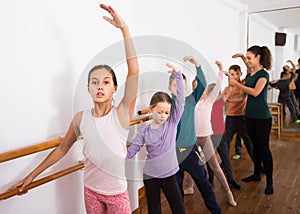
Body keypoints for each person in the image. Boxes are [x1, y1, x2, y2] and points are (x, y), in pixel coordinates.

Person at [7, 4, 139, 213]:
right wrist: (31, 175)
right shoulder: (80, 118)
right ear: (88, 88)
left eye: (106, 82)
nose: (100, 87)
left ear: (115, 88)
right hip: (91, 191)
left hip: (117, 194)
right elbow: (62, 148)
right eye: (94, 82)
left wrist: (124, 29)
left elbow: (134, 71)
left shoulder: (121, 114)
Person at [126, 63, 186, 214]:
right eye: (160, 112)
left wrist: (178, 75)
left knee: (179, 209)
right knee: (154, 210)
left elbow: (180, 101)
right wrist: (114, 155)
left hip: (170, 175)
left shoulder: (172, 123)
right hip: (150, 176)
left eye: (166, 112)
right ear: (151, 109)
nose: (163, 116)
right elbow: (132, 150)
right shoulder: (144, 132)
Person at [174, 56, 222, 213]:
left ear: (187, 86)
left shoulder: (192, 100)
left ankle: (216, 210)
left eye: (182, 84)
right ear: (170, 88)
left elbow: (201, 84)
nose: (179, 87)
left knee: (203, 182)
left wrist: (197, 65)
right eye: (175, 84)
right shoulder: (169, 104)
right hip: (174, 153)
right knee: (177, 188)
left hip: (191, 150)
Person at [229, 45, 274, 194]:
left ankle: (270, 182)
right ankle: (256, 174)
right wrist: (243, 57)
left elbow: (255, 92)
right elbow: (249, 71)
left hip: (262, 117)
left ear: (258, 57)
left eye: (250, 58)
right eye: (246, 58)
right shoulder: (251, 74)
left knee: (264, 149)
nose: (247, 61)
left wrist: (236, 84)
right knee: (254, 147)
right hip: (249, 116)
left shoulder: (263, 75)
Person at [195, 61, 237, 207]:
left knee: (215, 166)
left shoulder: (209, 102)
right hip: (192, 141)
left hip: (206, 138)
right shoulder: (190, 104)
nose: (200, 92)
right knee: (190, 163)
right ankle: (187, 187)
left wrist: (220, 71)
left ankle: (228, 192)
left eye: (201, 89)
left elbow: (218, 87)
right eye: (196, 88)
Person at [220, 64, 254, 163]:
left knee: (248, 142)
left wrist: (243, 57)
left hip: (241, 117)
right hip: (230, 118)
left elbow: (250, 71)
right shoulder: (227, 88)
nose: (233, 76)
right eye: (231, 74)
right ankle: (224, 164)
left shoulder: (243, 84)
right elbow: (221, 100)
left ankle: (258, 166)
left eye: (235, 74)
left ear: (240, 74)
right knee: (226, 143)